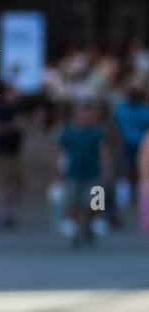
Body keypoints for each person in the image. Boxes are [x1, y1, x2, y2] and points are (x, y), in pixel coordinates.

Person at [56, 101, 110, 247]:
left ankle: (87, 225)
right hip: (73, 173)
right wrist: (58, 171)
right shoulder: (68, 132)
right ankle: (77, 230)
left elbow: (103, 152)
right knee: (73, 202)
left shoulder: (96, 133)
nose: (86, 115)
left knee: (94, 204)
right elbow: (60, 152)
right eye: (83, 111)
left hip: (92, 173)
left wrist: (105, 171)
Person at [0, 85, 25, 228]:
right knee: (3, 182)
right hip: (1, 152)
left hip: (15, 152)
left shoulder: (18, 109)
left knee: (15, 183)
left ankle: (10, 212)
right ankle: (0, 212)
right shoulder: (0, 109)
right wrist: (12, 126)